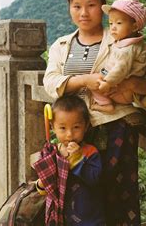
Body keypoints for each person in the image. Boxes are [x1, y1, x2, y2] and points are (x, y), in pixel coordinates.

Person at [43, 0, 146, 225]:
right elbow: (50, 82)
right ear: (69, 8)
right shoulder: (62, 45)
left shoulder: (123, 40)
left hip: (115, 128)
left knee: (117, 196)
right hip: (73, 132)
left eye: (91, 5)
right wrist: (85, 80)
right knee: (76, 199)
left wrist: (125, 85)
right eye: (77, 6)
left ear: (103, 6)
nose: (84, 12)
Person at [36, 95, 105, 225]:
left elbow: (95, 179)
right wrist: (41, 184)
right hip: (61, 217)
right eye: (62, 128)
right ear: (52, 127)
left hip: (88, 218)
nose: (69, 134)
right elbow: (46, 187)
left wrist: (78, 159)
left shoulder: (90, 152)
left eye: (76, 127)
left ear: (86, 126)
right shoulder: (52, 153)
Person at [90, 0, 146, 113]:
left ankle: (105, 104)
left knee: (93, 85)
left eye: (119, 23)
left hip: (122, 91)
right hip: (124, 85)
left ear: (135, 27)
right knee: (95, 77)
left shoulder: (127, 49)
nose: (113, 27)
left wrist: (107, 82)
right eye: (111, 23)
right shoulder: (136, 44)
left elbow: (121, 69)